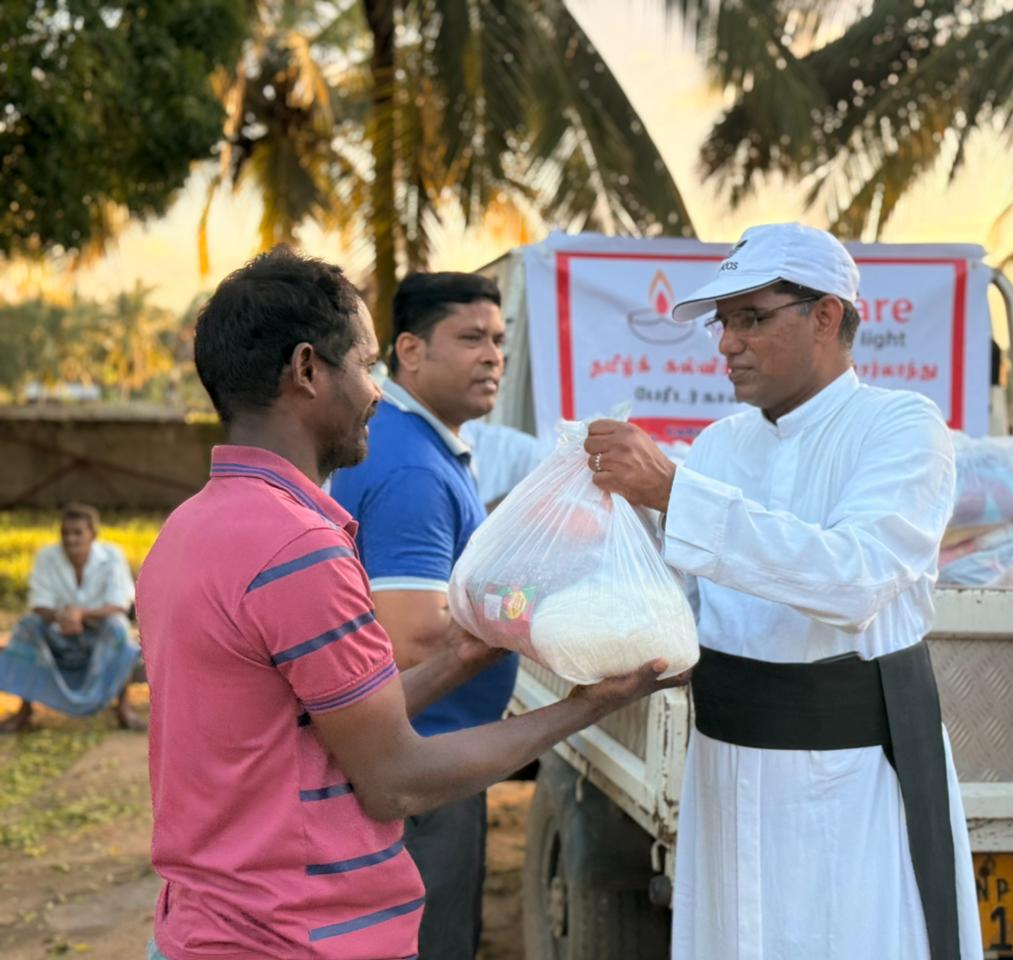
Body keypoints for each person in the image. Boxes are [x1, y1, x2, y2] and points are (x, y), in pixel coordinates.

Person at [138, 247, 680, 960]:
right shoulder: (297, 548)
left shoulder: (187, 528)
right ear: (306, 370)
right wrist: (589, 704)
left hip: (208, 924)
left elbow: (323, 723)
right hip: (294, 936)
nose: (375, 394)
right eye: (365, 366)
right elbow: (395, 779)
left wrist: (463, 655)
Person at [582, 222, 983, 959]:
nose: (728, 343)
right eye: (723, 323)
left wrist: (675, 494)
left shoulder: (900, 428)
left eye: (750, 318)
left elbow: (854, 578)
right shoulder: (719, 446)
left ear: (826, 316)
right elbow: (689, 602)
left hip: (849, 778)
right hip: (726, 766)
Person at [329, 271, 516, 960]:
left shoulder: (421, 444)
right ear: (409, 350)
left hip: (422, 757)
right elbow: (414, 638)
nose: (492, 355)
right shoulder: (413, 467)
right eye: (470, 338)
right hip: (423, 763)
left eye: (498, 339)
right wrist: (530, 606)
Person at [0, 503, 143, 732]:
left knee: (118, 629)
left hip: (98, 634)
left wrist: (82, 614)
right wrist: (60, 616)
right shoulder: (47, 557)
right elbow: (38, 603)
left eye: (78, 533)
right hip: (58, 632)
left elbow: (119, 604)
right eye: (65, 533)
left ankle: (123, 709)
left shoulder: (111, 556)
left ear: (93, 535)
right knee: (27, 626)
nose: (70, 539)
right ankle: (24, 711)